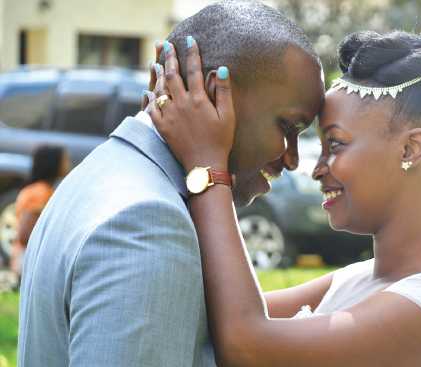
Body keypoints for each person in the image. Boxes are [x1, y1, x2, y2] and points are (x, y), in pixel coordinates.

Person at [151, 30, 421, 366]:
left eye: (335, 144)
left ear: (410, 148)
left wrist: (207, 163)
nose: (316, 168)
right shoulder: (355, 281)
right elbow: (208, 315)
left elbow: (246, 343)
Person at [17, 1, 323, 366]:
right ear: (213, 93)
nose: (293, 158)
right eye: (288, 127)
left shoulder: (101, 173)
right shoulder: (146, 222)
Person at [11, 145, 70, 278]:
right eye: (64, 160)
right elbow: (24, 235)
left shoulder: (43, 189)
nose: (68, 164)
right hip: (28, 261)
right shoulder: (40, 192)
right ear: (53, 163)